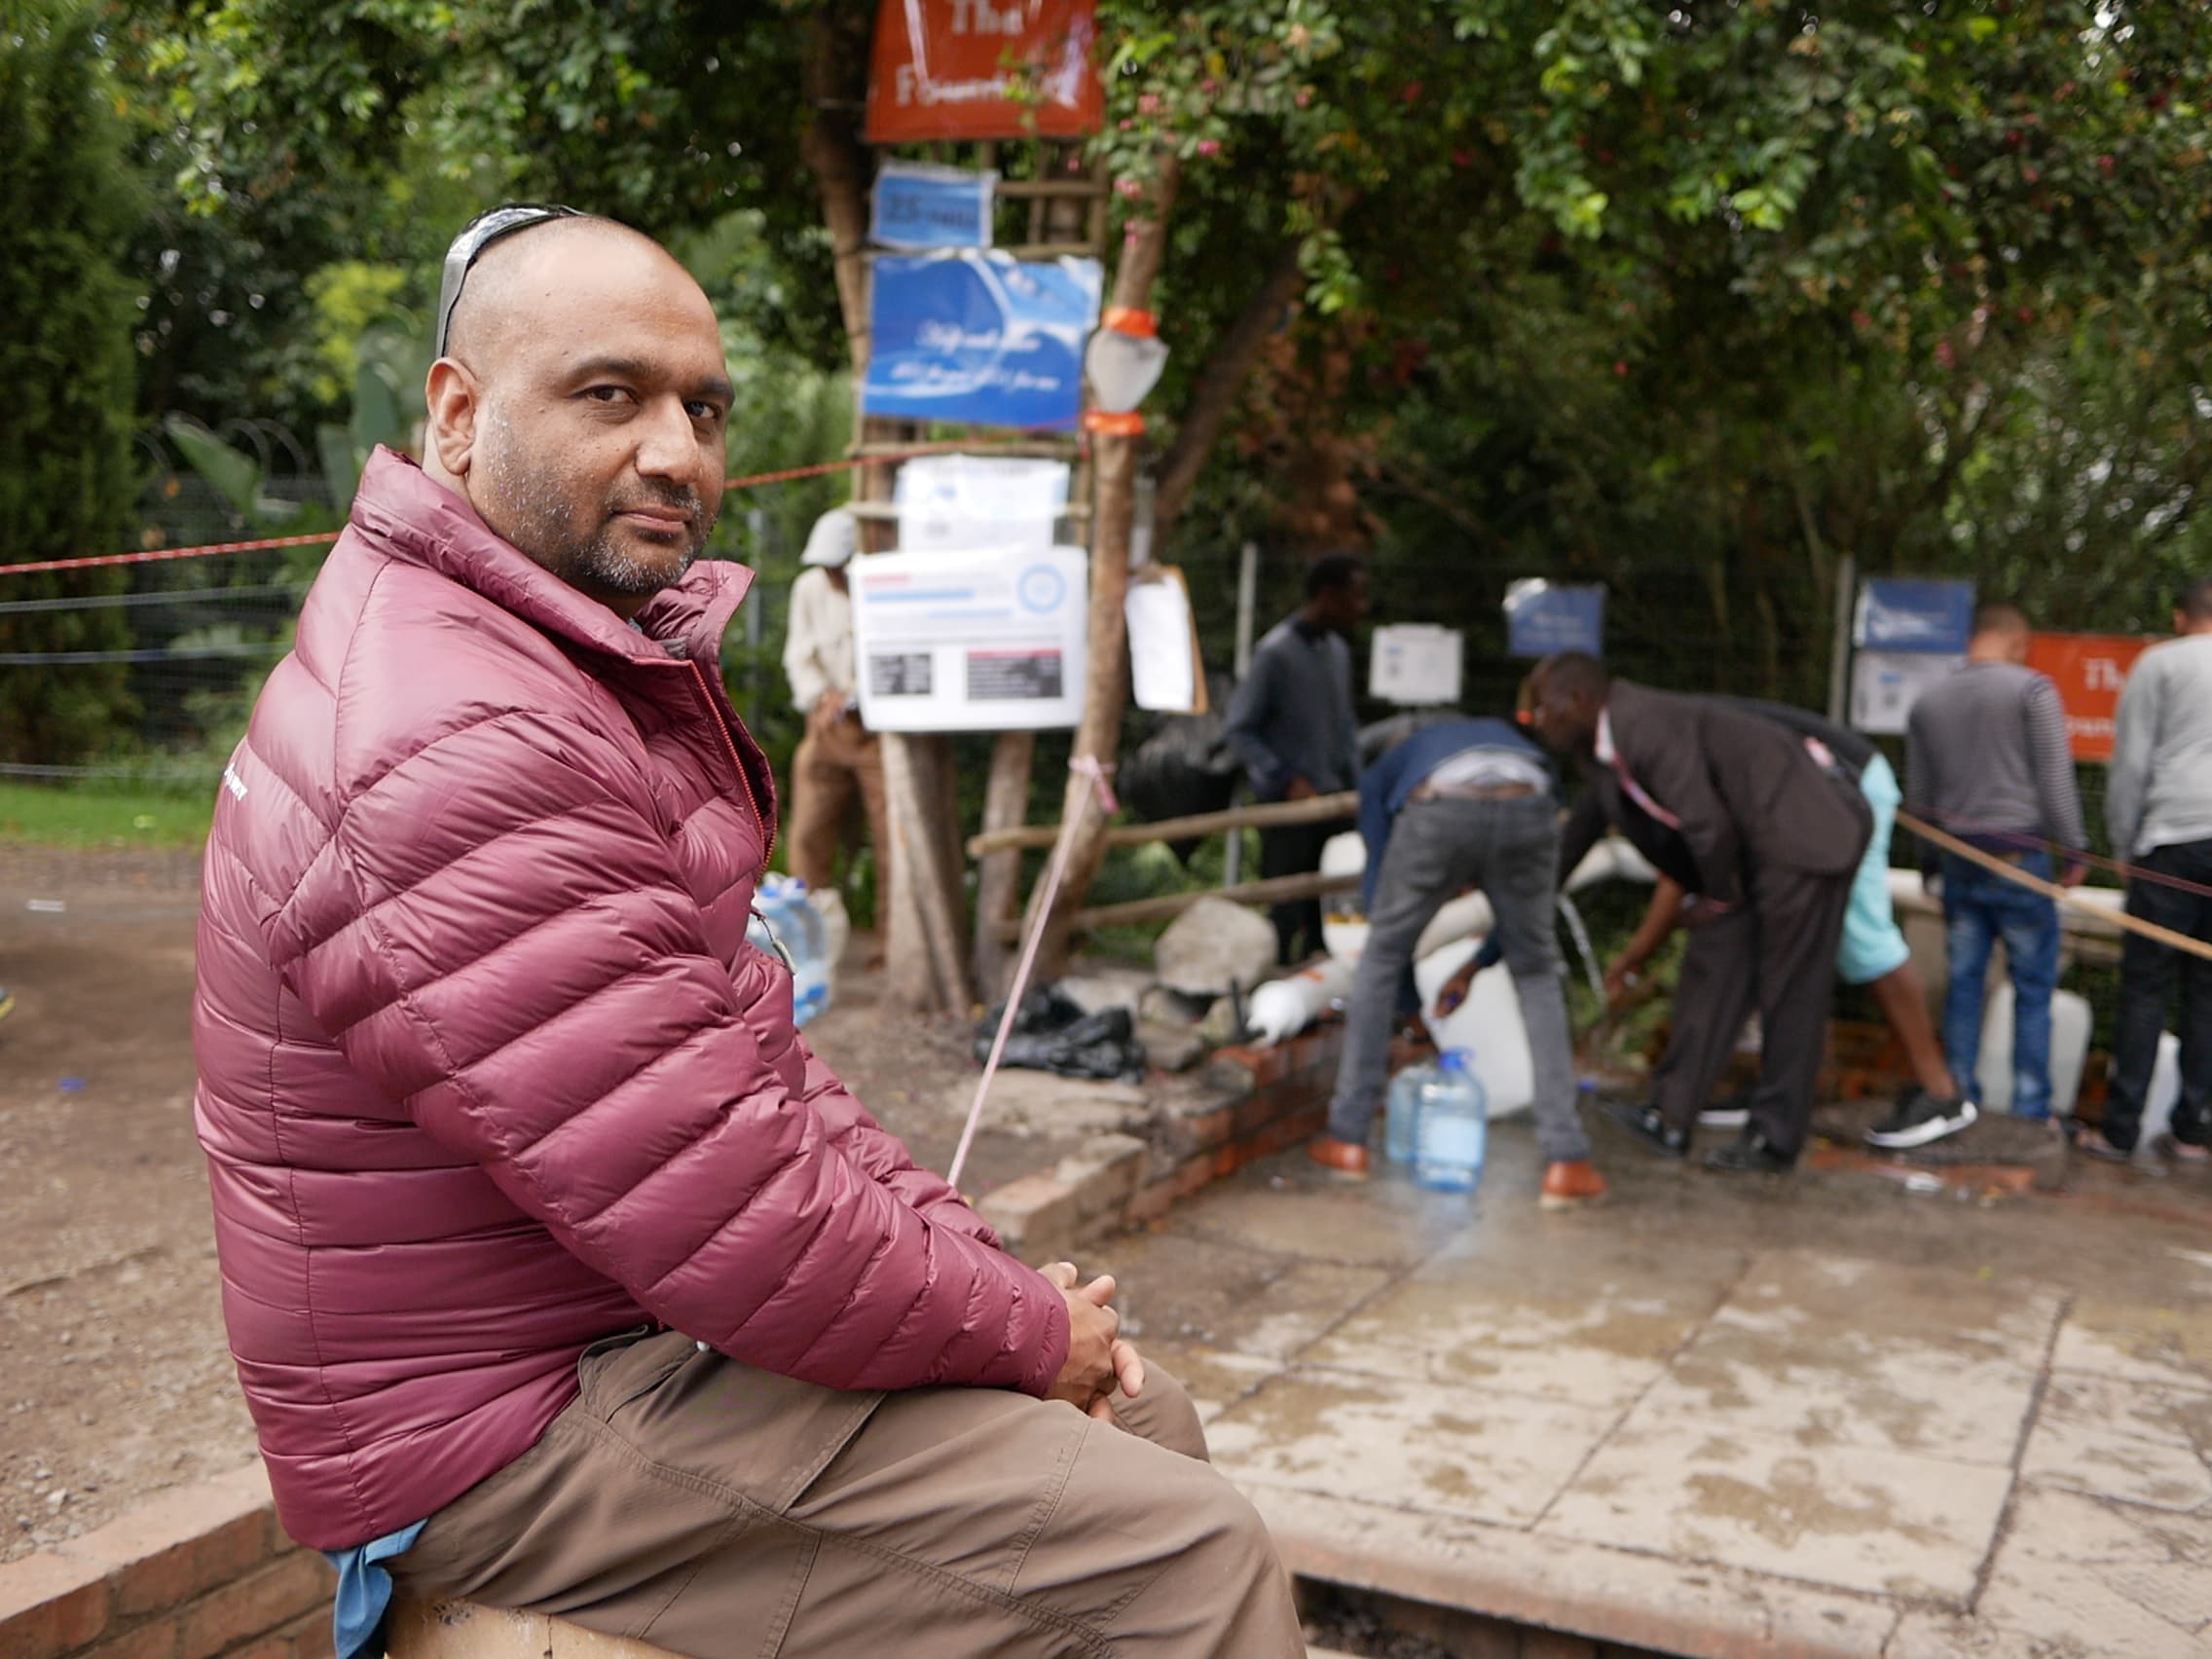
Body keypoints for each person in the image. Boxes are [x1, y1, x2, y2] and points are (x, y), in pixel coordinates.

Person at [192, 204, 1301, 1659]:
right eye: (611, 395)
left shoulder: (543, 668)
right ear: (458, 416)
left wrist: (1009, 1288)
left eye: (702, 408)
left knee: (1141, 1413)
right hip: (488, 1430)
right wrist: (1030, 1332)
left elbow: (755, 1070)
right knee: (1183, 1559)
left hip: (604, 1335)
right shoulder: (453, 735)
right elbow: (735, 1207)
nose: (677, 451)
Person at [1527, 653, 1870, 1173]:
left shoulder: (1644, 725)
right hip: (1745, 858)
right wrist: (1526, 897)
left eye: (1542, 707)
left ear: (1579, 700)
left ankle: (1774, 1140)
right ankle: (1670, 1115)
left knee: (1790, 989)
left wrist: (1717, 896)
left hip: (1801, 838)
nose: (1534, 719)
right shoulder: (1602, 751)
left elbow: (1705, 821)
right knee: (1711, 964)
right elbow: (1581, 830)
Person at [1598, 698, 1972, 1151]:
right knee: (1769, 935)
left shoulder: (1663, 749)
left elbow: (1678, 882)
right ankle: (1770, 1088)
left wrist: (1634, 956)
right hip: (1800, 804)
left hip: (1847, 789)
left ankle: (1942, 1094)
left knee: (1862, 940)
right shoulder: (1661, 741)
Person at [1305, 717, 1605, 1209]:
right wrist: (1484, 960)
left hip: (1441, 807)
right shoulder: (1505, 738)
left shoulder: (1388, 768)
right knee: (1536, 971)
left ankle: (1348, 1139)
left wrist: (1405, 997)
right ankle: (1567, 1161)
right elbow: (1524, 926)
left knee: (1380, 955)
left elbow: (1380, 886)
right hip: (1528, 799)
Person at [1905, 602, 2088, 1136]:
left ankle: (1958, 1097)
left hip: (1959, 862)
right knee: (2032, 988)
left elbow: (1920, 799)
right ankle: (2031, 1111)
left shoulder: (1928, 701)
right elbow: (2056, 778)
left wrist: (1928, 865)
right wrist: (2073, 850)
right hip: (2020, 861)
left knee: (1964, 984)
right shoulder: (2032, 689)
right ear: (2016, 640)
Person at [2085, 575, 2212, 1163]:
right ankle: (2193, 1131)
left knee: (2144, 987)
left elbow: (2131, 763)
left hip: (2173, 840)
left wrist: (2124, 845)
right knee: (2209, 989)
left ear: (2179, 616)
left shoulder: (2159, 662)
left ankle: (2120, 1130)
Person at [1224, 553, 1368, 964]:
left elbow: (1345, 729)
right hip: (1289, 808)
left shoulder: (1337, 652)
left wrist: (1359, 786)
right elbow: (1239, 728)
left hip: (1335, 803)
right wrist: (1284, 778)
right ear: (1328, 595)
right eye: (1353, 597)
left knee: (1331, 908)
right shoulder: (1276, 653)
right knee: (1286, 906)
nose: (1361, 608)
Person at [782, 505, 890, 935]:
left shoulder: (879, 589)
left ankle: (891, 942)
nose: (830, 574)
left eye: (836, 566)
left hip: (878, 730)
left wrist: (852, 694)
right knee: (808, 829)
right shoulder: (808, 588)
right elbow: (798, 654)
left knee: (890, 839)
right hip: (825, 726)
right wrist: (819, 695)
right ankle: (805, 935)